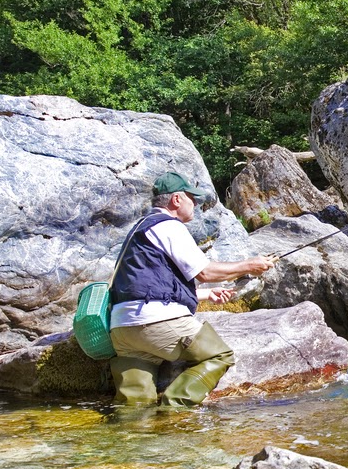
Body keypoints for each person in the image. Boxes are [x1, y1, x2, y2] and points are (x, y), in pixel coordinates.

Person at [108, 172, 275, 407]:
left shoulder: (139, 230)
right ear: (176, 200)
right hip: (155, 323)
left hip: (123, 329)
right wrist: (250, 265)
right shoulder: (169, 226)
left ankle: (132, 436)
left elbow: (146, 284)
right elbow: (204, 272)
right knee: (220, 355)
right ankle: (175, 409)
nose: (195, 204)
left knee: (134, 407)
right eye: (191, 198)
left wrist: (205, 294)